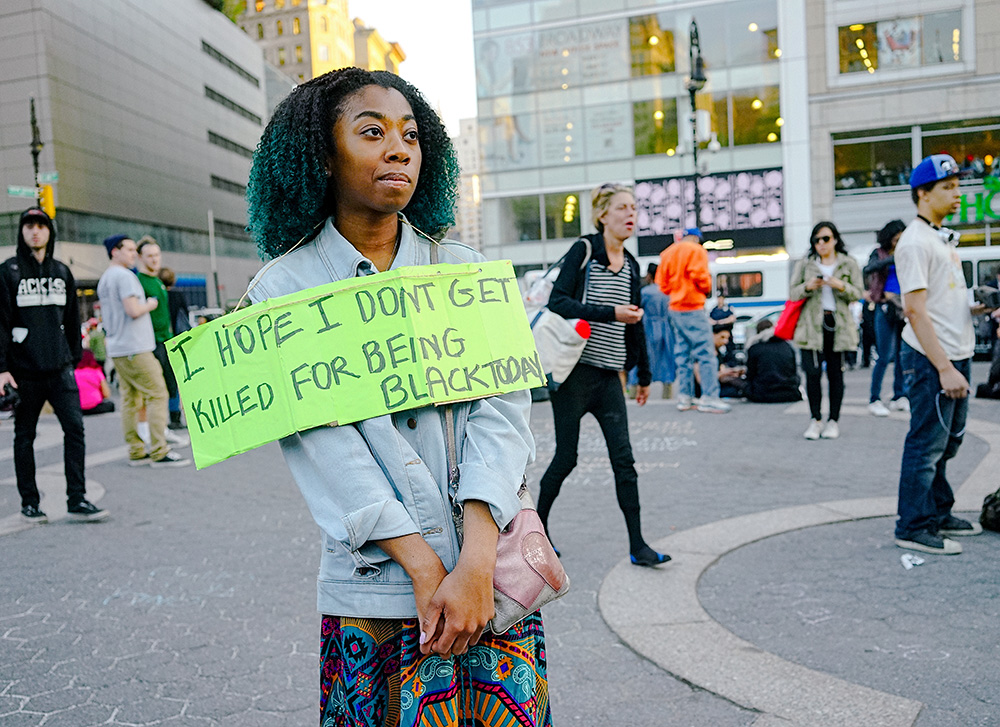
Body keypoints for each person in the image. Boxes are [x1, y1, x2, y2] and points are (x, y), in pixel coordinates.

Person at [244, 68, 548, 726]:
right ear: (323, 154)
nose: (399, 149)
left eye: (411, 135)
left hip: (491, 586)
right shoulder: (281, 292)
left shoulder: (464, 271)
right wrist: (424, 567)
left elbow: (503, 416)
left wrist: (475, 562)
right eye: (372, 132)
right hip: (376, 594)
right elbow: (327, 449)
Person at [538, 182, 668, 569]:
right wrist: (611, 313)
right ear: (602, 215)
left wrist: (644, 375)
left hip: (610, 376)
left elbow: (635, 322)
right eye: (622, 208)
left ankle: (638, 546)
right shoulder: (585, 250)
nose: (631, 215)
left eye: (634, 208)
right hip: (574, 375)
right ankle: (538, 532)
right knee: (566, 458)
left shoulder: (631, 264)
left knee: (624, 461)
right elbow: (557, 301)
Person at [894, 154, 983, 555]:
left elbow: (939, 302)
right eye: (948, 187)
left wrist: (975, 307)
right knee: (926, 444)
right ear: (923, 194)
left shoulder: (939, 238)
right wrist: (944, 368)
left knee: (946, 443)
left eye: (957, 186)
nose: (957, 194)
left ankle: (938, 512)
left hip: (953, 353)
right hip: (931, 359)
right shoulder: (915, 241)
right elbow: (914, 310)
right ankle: (913, 525)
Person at [0, 207, 107, 522]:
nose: (35, 231)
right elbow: (1, 323)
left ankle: (77, 499)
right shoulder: (8, 272)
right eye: (29, 226)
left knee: (75, 430)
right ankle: (30, 503)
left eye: (41, 226)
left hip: (61, 370)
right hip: (23, 373)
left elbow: (73, 321)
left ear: (50, 232)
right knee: (24, 436)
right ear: (21, 232)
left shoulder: (62, 272)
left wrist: (72, 359)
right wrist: (2, 368)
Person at [97, 235, 189, 468]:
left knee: (130, 399)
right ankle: (160, 450)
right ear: (114, 252)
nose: (133, 254)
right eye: (129, 250)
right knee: (158, 393)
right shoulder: (124, 276)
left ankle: (136, 450)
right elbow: (133, 310)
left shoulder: (106, 278)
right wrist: (150, 304)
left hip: (118, 347)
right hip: (135, 346)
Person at [789, 222, 863, 440]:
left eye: (826, 239)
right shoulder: (806, 264)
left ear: (835, 240)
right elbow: (793, 293)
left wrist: (840, 285)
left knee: (835, 375)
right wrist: (808, 286)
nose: (821, 243)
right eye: (817, 240)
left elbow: (858, 292)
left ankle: (833, 421)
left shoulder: (848, 263)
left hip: (837, 325)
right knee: (812, 374)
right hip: (811, 326)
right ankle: (815, 420)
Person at [656, 228, 731, 413]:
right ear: (696, 238)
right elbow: (701, 277)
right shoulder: (696, 250)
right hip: (692, 306)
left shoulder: (668, 253)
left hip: (675, 308)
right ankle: (709, 397)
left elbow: (662, 284)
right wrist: (705, 287)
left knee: (683, 354)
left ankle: (685, 397)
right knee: (706, 353)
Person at [864, 220, 909, 416]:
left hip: (904, 306)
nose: (898, 242)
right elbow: (869, 268)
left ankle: (900, 395)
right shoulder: (879, 253)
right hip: (885, 305)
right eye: (896, 239)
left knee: (902, 355)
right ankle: (874, 398)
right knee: (884, 354)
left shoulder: (907, 251)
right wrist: (892, 259)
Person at [627, 263, 674, 399]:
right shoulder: (667, 292)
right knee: (666, 360)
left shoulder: (645, 292)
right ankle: (667, 393)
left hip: (648, 328)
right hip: (665, 329)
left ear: (649, 275)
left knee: (642, 356)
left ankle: (634, 390)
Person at [744, 318, 802, 403]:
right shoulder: (787, 346)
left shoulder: (755, 348)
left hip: (762, 394)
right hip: (790, 392)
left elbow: (751, 374)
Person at [75, 350, 115, 415]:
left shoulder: (74, 373)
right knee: (111, 405)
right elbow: (106, 394)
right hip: (95, 406)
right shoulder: (97, 372)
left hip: (78, 407)